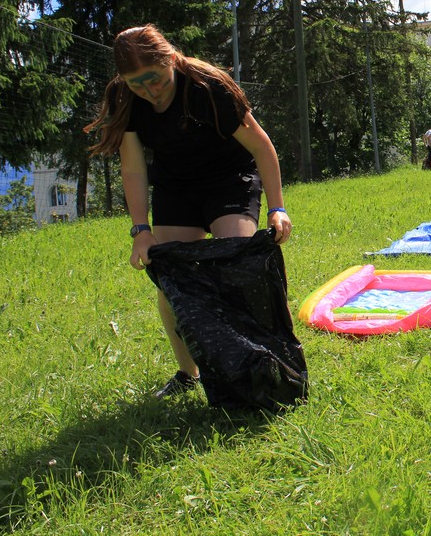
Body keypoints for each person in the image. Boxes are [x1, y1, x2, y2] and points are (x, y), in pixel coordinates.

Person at [83, 24, 292, 399]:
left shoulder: (208, 87)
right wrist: (140, 230)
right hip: (176, 187)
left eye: (157, 81)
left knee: (239, 267)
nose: (150, 92)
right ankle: (187, 372)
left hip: (229, 179)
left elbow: (261, 147)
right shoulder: (125, 98)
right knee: (172, 279)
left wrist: (277, 208)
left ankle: (266, 360)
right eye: (137, 84)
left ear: (171, 60)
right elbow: (132, 167)